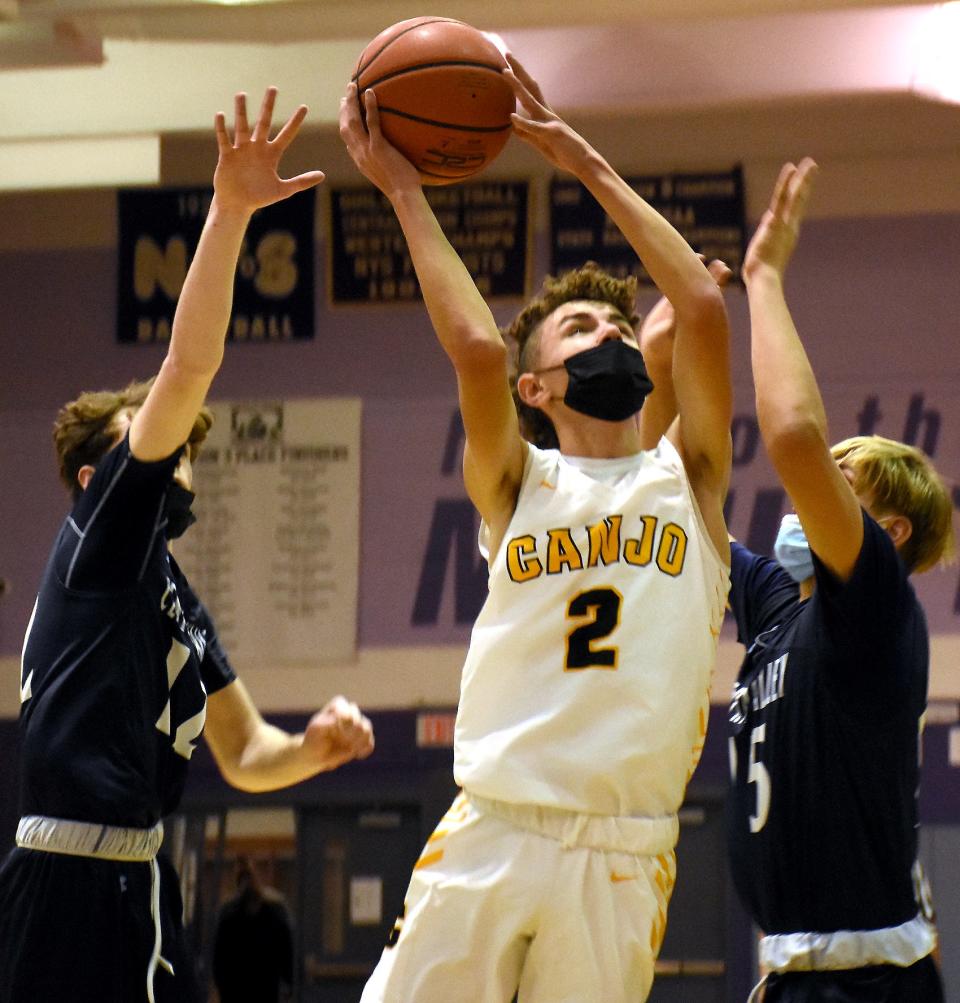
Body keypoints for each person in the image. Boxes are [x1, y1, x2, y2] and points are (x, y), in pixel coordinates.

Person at [340, 55, 732, 1003]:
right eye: (580, 329)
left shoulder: (690, 479)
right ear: (536, 387)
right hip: (497, 824)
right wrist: (399, 186)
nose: (609, 334)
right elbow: (476, 346)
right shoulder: (520, 483)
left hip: (624, 848)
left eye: (617, 324)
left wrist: (581, 155)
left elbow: (704, 306)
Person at [0, 88, 374, 1003]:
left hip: (139, 874)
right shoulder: (100, 538)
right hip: (64, 876)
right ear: (101, 476)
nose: (178, 452)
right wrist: (231, 209)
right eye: (149, 437)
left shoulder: (170, 594)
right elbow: (190, 364)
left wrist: (317, 748)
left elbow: (247, 756)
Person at [642, 159, 954, 1001]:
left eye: (839, 485)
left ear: (887, 533)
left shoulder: (874, 605)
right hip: (789, 973)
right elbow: (677, 500)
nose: (805, 498)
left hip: (872, 979)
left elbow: (789, 437)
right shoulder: (784, 608)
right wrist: (664, 364)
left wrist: (765, 277)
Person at [213, 857, 294, 1003]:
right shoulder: (275, 912)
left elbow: (218, 959)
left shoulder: (228, 915)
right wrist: (288, 983)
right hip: (266, 986)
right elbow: (286, 953)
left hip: (235, 988)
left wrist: (221, 987)